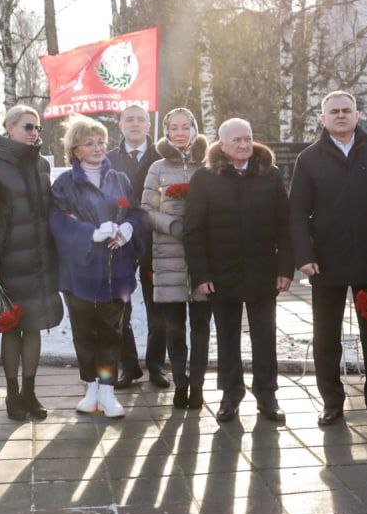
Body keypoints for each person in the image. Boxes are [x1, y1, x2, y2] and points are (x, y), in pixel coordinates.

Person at [289, 91, 367, 428]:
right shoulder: (309, 159)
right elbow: (297, 212)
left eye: (346, 110)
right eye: (333, 112)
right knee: (326, 337)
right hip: (325, 262)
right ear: (322, 119)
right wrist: (304, 255)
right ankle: (331, 402)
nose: (340, 116)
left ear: (357, 115)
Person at [185, 118, 292, 423]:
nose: (244, 145)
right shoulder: (204, 179)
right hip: (221, 274)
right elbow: (193, 231)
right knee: (227, 337)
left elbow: (284, 225)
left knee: (265, 335)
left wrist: (285, 267)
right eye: (237, 141)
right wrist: (202, 274)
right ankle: (231, 395)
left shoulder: (269, 175)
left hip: (263, 272)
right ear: (221, 144)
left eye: (248, 138)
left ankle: (267, 394)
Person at [50, 115, 146, 419]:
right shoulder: (64, 184)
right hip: (79, 271)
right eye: (89, 143)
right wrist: (90, 233)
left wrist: (128, 229)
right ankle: (90, 387)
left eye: (101, 141)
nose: (97, 147)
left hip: (116, 270)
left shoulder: (119, 179)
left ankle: (107, 390)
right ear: (75, 150)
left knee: (112, 332)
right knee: (83, 331)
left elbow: (134, 213)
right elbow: (57, 221)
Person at [0, 105, 61, 421]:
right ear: (10, 127)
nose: (34, 133)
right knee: (12, 328)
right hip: (8, 263)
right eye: (28, 127)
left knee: (36, 326)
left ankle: (30, 392)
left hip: (40, 260)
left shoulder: (41, 165)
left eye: (37, 128)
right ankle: (12, 394)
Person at [141, 108, 210, 410]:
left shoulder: (209, 164)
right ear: (166, 131)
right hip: (168, 254)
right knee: (174, 328)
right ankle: (180, 384)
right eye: (174, 128)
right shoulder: (157, 167)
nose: (180, 133)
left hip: (203, 258)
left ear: (195, 129)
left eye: (186, 126)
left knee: (201, 328)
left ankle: (197, 385)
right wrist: (172, 224)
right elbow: (146, 209)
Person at [107, 104, 166, 389]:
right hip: (121, 244)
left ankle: (156, 365)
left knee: (159, 309)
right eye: (128, 119)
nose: (134, 124)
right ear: (120, 125)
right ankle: (127, 366)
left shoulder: (162, 158)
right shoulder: (107, 160)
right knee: (120, 307)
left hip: (156, 242)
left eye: (140, 119)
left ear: (148, 125)